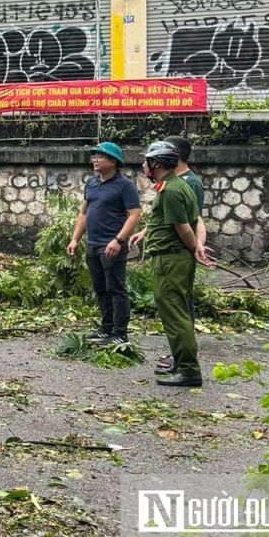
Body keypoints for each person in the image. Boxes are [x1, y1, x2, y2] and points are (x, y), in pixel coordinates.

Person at [141, 140, 209, 389]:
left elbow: (183, 228)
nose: (143, 166)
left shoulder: (170, 190)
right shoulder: (178, 185)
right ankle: (182, 364)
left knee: (175, 314)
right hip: (172, 257)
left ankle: (189, 370)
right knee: (177, 311)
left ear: (156, 164)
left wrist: (194, 248)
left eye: (146, 161)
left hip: (170, 258)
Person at [67, 142, 142, 349]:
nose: (95, 159)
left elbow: (134, 214)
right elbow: (84, 213)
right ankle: (106, 327)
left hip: (112, 245)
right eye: (94, 156)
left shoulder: (124, 185)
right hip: (93, 244)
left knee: (116, 288)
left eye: (100, 156)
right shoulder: (91, 183)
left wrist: (119, 240)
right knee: (100, 288)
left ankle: (120, 333)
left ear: (113, 161)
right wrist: (75, 239)